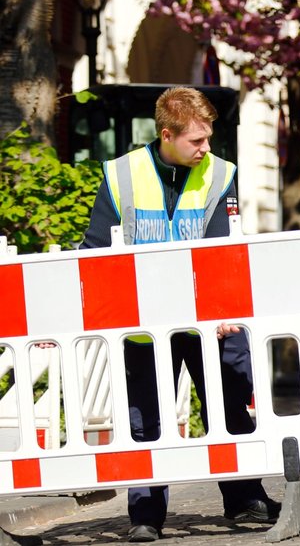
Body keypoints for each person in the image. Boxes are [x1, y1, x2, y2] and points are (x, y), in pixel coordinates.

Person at [82, 87, 278, 542]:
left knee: (230, 403)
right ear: (166, 135)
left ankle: (245, 498)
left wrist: (226, 309)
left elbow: (222, 249)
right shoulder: (120, 175)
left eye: (208, 138)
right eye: (196, 141)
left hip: (209, 320)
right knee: (145, 420)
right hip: (143, 326)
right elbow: (95, 250)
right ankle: (146, 516)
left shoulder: (219, 173)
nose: (206, 148)